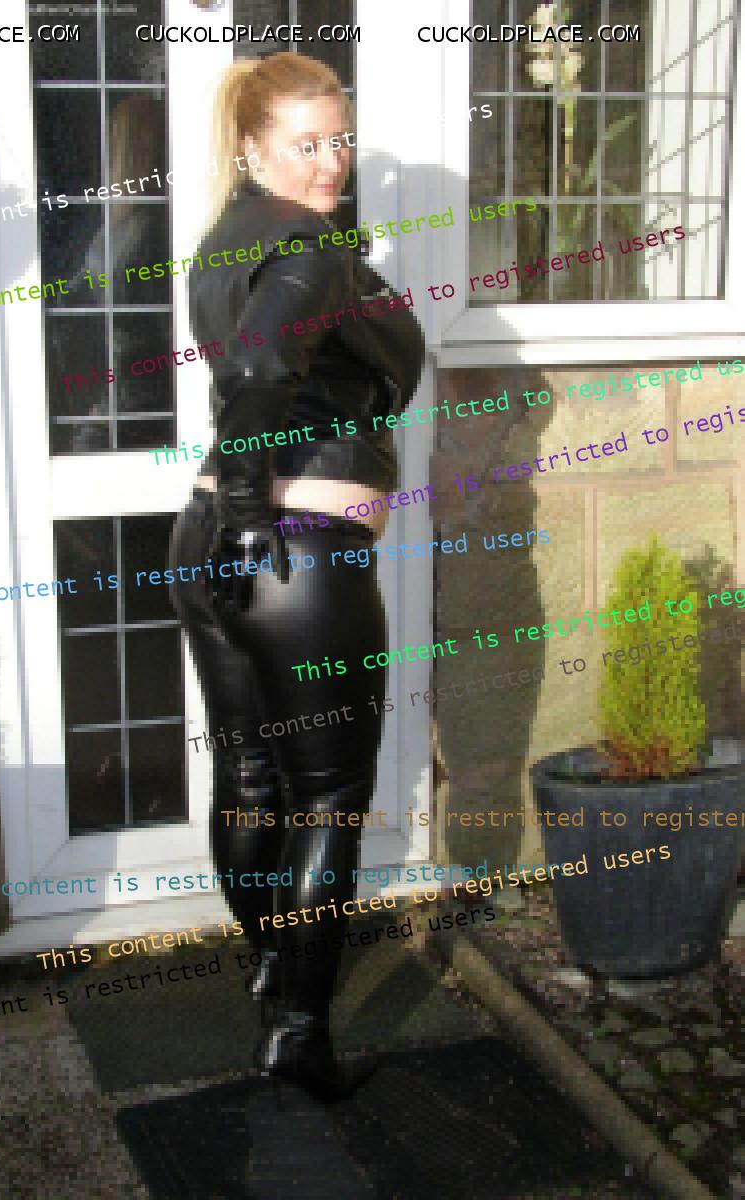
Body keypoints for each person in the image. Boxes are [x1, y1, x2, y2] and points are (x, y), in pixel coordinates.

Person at [169, 51, 425, 1103]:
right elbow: (259, 367)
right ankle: (298, 1036)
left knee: (251, 778)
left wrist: (233, 516)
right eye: (305, 143)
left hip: (211, 548)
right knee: (327, 797)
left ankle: (276, 971)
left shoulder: (223, 240)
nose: (331, 162)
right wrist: (250, 508)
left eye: (340, 139)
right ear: (252, 148)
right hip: (290, 551)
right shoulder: (309, 245)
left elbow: (257, 365)